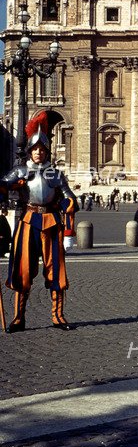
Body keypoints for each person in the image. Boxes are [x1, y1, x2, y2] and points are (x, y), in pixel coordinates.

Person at [0, 112, 79, 332]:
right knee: (23, 270)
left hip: (52, 223)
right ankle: (19, 318)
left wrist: (68, 205)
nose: (38, 153)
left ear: (46, 151)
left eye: (42, 150)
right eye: (35, 149)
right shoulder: (20, 171)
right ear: (30, 151)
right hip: (28, 222)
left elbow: (69, 197)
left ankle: (58, 316)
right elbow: (2, 186)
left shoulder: (56, 174)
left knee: (56, 271)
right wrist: (5, 190)